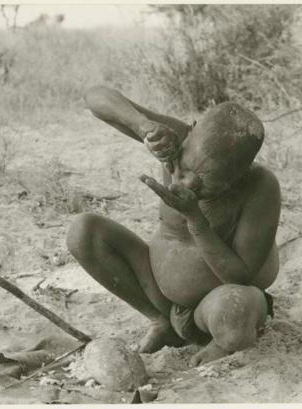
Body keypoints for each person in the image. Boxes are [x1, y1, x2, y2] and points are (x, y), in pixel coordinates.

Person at [67, 86, 280, 365]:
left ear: (238, 176)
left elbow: (240, 276)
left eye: (206, 183)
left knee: (234, 315)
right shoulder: (176, 138)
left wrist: (197, 221)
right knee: (84, 231)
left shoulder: (260, 186)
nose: (187, 183)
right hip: (160, 293)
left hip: (217, 301)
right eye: (185, 167)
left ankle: (219, 343)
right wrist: (143, 127)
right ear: (189, 134)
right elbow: (94, 98)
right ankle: (161, 321)